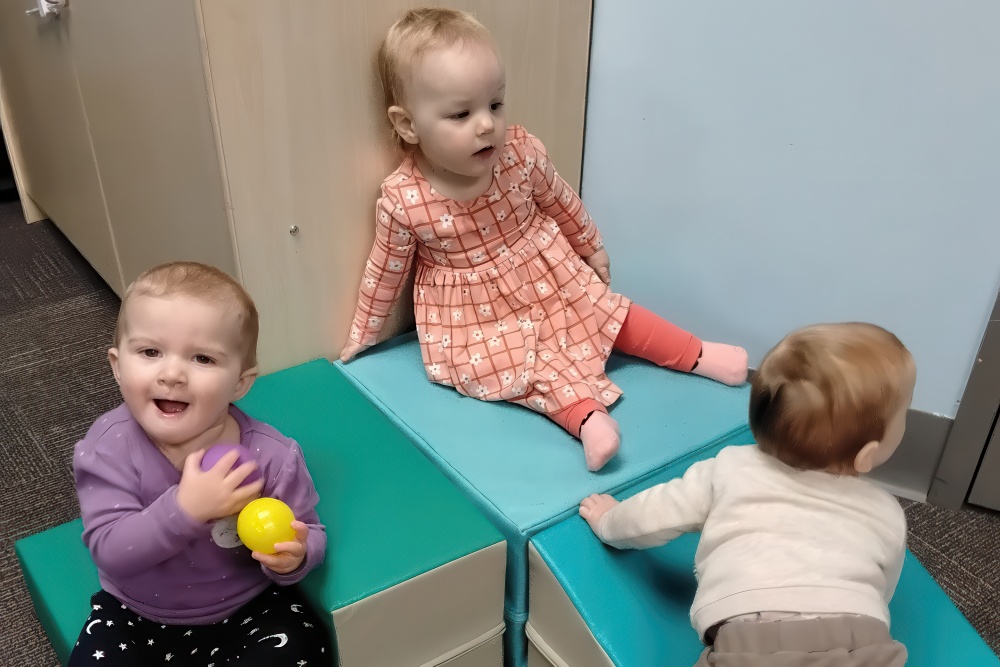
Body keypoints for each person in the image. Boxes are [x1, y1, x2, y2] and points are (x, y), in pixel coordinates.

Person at [340, 7, 749, 471]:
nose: (485, 124)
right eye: (460, 113)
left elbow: (562, 201)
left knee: (610, 312)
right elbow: (385, 271)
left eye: (494, 105)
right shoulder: (404, 199)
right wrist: (364, 335)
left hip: (546, 271)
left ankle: (697, 354)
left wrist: (591, 246)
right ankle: (587, 419)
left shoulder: (520, 153)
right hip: (475, 312)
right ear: (408, 124)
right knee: (524, 366)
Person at [580, 322, 914, 666]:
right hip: (861, 640)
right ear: (867, 454)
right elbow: (881, 588)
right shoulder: (885, 510)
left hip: (751, 640)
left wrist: (608, 521)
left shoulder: (727, 469)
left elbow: (653, 517)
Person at [69, 262, 331, 666]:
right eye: (150, 351)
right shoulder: (109, 447)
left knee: (304, 648)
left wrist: (296, 556)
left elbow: (308, 530)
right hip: (135, 614)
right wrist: (186, 509)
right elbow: (110, 550)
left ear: (240, 383)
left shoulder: (272, 454)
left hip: (248, 609)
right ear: (118, 366)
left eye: (203, 359)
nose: (172, 374)